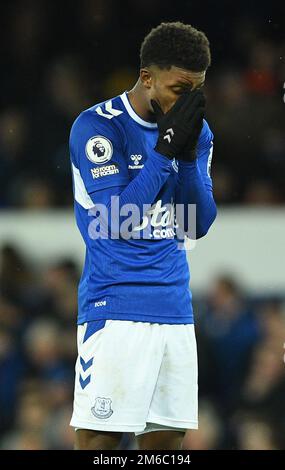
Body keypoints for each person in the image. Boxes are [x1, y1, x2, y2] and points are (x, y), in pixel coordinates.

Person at [69, 21, 217, 450]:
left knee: (165, 447)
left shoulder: (196, 133)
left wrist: (186, 157)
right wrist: (165, 151)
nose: (187, 103)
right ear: (147, 77)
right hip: (115, 305)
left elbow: (196, 225)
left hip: (174, 308)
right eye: (179, 89)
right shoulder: (98, 126)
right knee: (101, 444)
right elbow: (117, 219)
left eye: (197, 91)